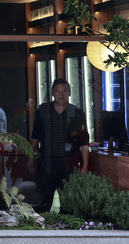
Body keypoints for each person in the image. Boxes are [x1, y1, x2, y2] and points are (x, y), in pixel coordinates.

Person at [31, 78, 90, 211]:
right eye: (58, 91)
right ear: (53, 93)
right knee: (42, 204)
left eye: (64, 91)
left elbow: (84, 142)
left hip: (68, 164)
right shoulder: (43, 110)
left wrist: (85, 166)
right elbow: (36, 135)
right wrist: (29, 156)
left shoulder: (77, 113)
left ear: (69, 93)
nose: (61, 94)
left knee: (68, 205)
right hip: (46, 163)